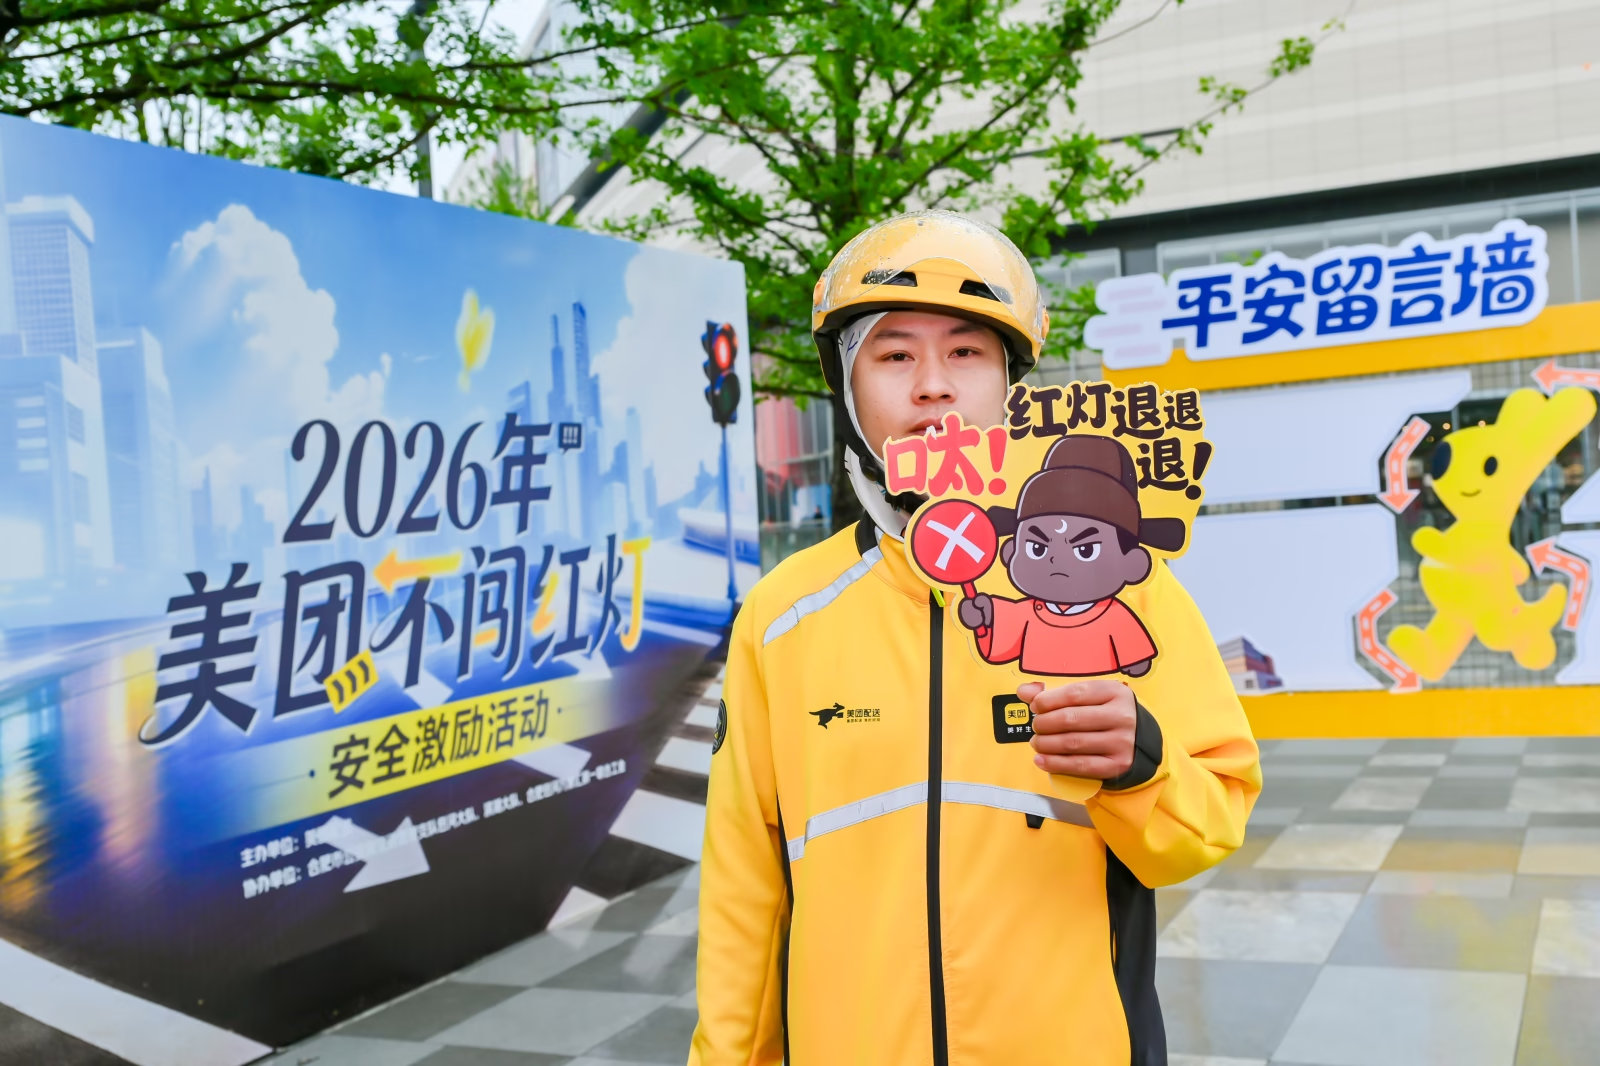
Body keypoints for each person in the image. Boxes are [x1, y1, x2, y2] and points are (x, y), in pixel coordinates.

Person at [689, 211, 1260, 1066]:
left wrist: (1141, 765)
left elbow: (1207, 828)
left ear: (1007, 385)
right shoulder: (782, 615)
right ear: (847, 387)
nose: (932, 387)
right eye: (893, 356)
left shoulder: (1121, 582)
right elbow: (744, 888)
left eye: (965, 352)